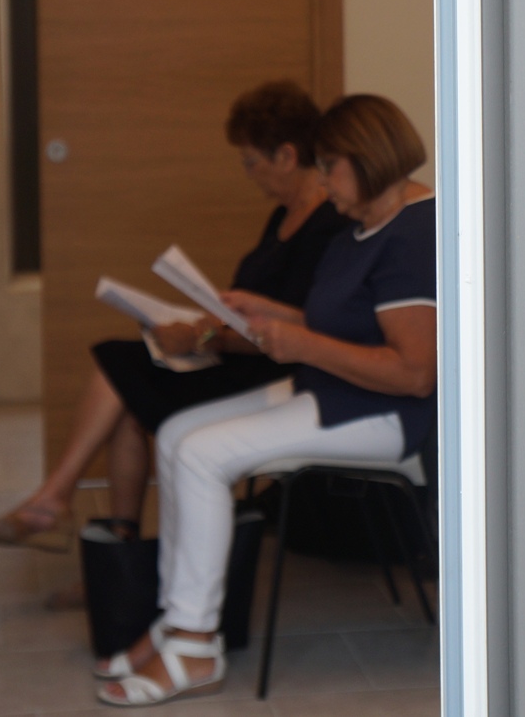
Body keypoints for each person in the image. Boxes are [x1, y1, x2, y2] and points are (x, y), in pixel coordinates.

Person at [96, 94, 436, 706]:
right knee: (174, 435)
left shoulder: (415, 233)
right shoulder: (363, 224)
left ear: (367, 159)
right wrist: (270, 313)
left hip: (385, 414)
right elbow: (342, 322)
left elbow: (415, 374)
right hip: (336, 388)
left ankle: (195, 646)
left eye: (329, 166)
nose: (322, 181)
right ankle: (176, 619)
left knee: (201, 455)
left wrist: (302, 342)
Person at [0, 82, 348, 601]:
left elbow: (295, 329)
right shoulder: (282, 217)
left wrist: (201, 335)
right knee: (126, 381)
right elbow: (241, 311)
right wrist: (198, 329)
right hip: (239, 355)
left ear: (287, 155)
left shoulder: (327, 227)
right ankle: (114, 555)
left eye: (251, 162)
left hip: (275, 371)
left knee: (119, 366)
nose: (248, 173)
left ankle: (59, 503)